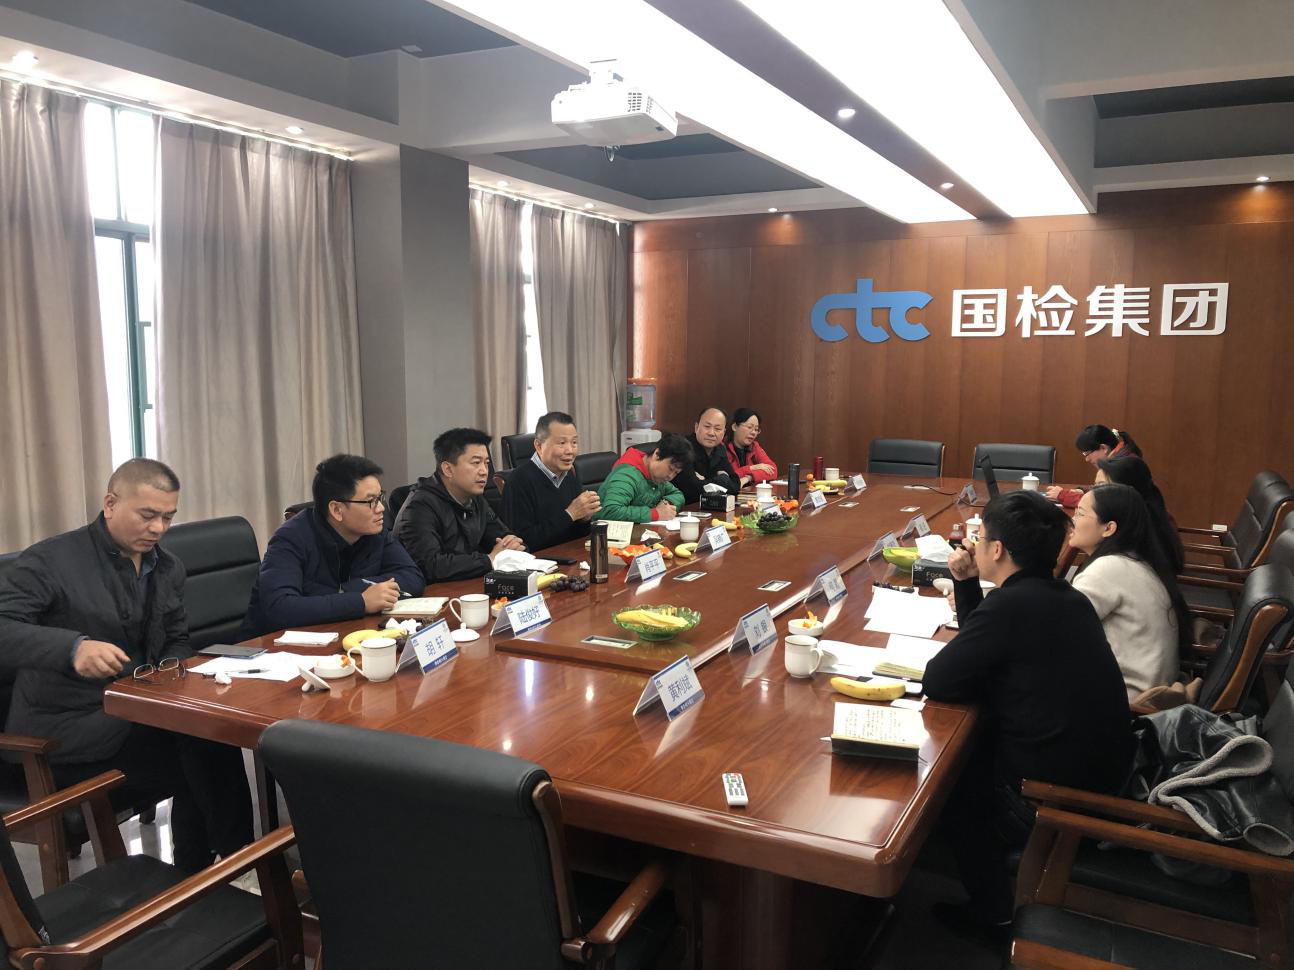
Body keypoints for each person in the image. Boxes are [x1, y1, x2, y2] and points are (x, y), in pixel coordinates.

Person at [0, 459, 253, 873]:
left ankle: (208, 872)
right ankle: (230, 867)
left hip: (132, 710)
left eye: (168, 517)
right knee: (201, 755)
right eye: (147, 515)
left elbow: (176, 637)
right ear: (110, 504)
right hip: (61, 729)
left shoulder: (166, 566)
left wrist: (171, 677)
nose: (158, 528)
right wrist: (71, 648)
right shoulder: (51, 561)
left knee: (209, 732)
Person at [924, 490, 1134, 940]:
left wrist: (969, 592)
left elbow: (940, 680)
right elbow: (986, 648)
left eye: (980, 538)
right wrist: (966, 583)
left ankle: (995, 916)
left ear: (998, 550)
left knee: (949, 788)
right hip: (1104, 774)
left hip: (1052, 800)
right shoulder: (1064, 596)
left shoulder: (1012, 605)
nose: (973, 546)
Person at [240, 454, 424, 639]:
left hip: (343, 633)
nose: (381, 508)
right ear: (336, 510)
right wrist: (361, 601)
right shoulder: (290, 538)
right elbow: (280, 608)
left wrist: (348, 590)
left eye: (380, 497)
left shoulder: (375, 531)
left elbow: (413, 577)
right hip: (271, 647)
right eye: (371, 501)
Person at [1070, 485, 1189, 701]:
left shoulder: (1107, 568)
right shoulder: (1134, 558)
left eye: (1080, 513)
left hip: (1127, 699)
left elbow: (1059, 629)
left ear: (1108, 528)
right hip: (1148, 687)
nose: (1072, 520)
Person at [393, 428, 525, 582]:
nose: (484, 471)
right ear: (448, 469)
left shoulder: (475, 498)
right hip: (431, 593)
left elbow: (502, 537)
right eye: (476, 463)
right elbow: (431, 566)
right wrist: (489, 559)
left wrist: (513, 545)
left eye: (486, 463)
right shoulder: (418, 507)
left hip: (467, 584)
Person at [501, 411, 601, 552]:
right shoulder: (518, 481)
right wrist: (570, 514)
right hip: (538, 561)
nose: (570, 450)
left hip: (569, 555)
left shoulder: (569, 475)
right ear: (539, 446)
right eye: (562, 443)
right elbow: (522, 542)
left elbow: (576, 535)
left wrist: (584, 519)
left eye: (574, 442)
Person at [1095, 454, 1185, 572]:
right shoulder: (1147, 514)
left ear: (1127, 491)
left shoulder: (1135, 531)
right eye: (1095, 486)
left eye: (1101, 486)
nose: (1093, 493)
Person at [597, 434, 691, 523]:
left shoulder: (657, 477)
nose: (670, 476)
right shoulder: (626, 475)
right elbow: (611, 511)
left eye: (676, 473)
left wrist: (666, 504)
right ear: (657, 454)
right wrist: (655, 514)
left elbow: (677, 495)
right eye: (670, 469)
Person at [1046, 424, 1142, 508]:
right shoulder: (1121, 456)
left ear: (1104, 448)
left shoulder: (1123, 465)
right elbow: (1105, 490)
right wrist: (1082, 491)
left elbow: (1104, 503)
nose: (1087, 459)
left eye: (1087, 453)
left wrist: (1063, 495)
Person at [674, 407, 740, 504]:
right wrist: (723, 479)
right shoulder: (683, 448)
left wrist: (705, 481)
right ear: (696, 427)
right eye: (707, 426)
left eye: (717, 429)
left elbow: (735, 485)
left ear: (724, 433)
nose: (711, 433)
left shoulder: (720, 449)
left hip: (710, 507)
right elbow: (692, 491)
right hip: (684, 508)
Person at [724, 408, 778, 487]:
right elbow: (727, 477)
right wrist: (752, 468)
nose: (753, 432)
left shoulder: (754, 446)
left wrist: (749, 477)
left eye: (756, 429)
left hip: (747, 492)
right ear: (735, 427)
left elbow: (773, 470)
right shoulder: (722, 447)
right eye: (749, 427)